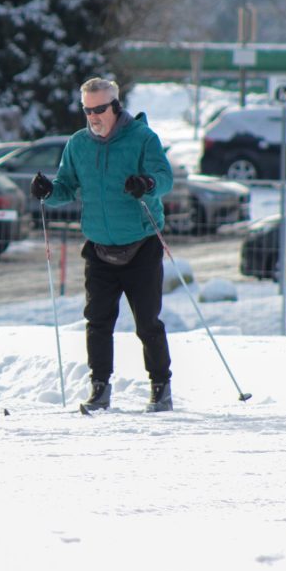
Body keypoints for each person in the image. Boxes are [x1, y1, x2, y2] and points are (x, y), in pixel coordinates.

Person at [30, 77, 174, 413]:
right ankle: (99, 388)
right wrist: (49, 192)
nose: (93, 116)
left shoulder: (142, 139)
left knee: (147, 323)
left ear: (116, 106)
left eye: (99, 109)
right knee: (97, 322)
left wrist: (146, 183)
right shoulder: (78, 144)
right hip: (98, 247)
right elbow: (66, 186)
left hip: (141, 243)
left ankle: (160, 387)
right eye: (87, 110)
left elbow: (164, 178)